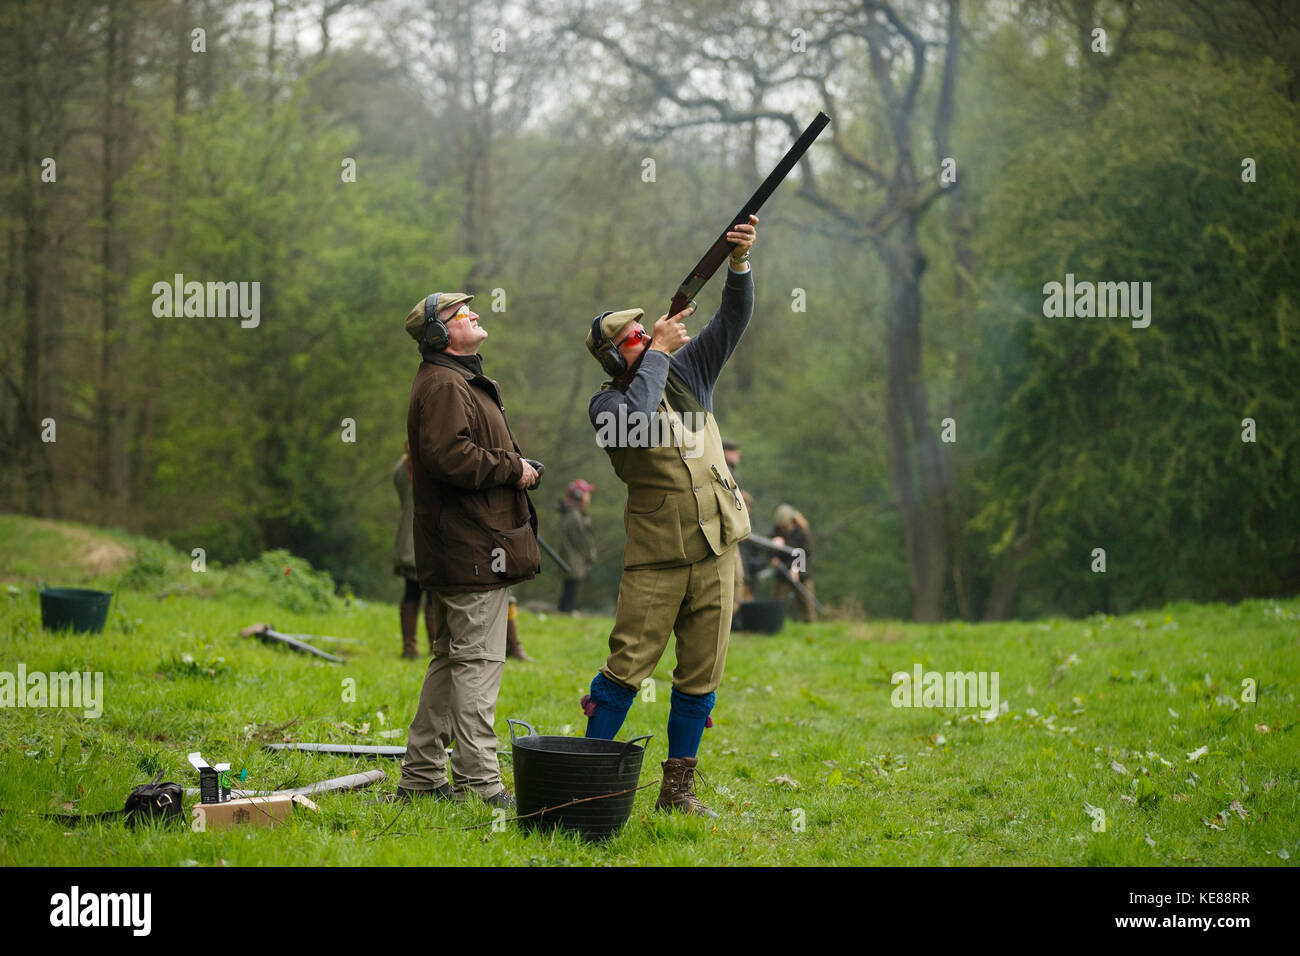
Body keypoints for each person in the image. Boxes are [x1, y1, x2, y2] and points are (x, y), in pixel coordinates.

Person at [580, 215, 758, 818]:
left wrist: (737, 264)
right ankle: (587, 782)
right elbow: (635, 421)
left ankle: (677, 792)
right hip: (657, 561)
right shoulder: (607, 403)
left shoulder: (688, 372)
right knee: (627, 667)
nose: (651, 331)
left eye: (644, 327)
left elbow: (733, 321)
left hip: (716, 549)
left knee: (701, 676)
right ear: (616, 354)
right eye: (636, 333)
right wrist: (654, 354)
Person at [394, 291, 540, 809]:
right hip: (470, 548)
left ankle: (422, 777)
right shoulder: (443, 384)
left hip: (468, 545)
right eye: (461, 314)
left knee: (449, 661)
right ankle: (481, 785)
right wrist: (513, 468)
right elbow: (448, 457)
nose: (475, 315)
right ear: (438, 334)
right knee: (477, 663)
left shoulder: (452, 380)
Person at [393, 440, 437, 659]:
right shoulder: (430, 469)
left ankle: (409, 647)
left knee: (411, 592)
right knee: (433, 595)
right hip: (427, 540)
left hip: (408, 541)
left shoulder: (401, 469)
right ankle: (435, 647)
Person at [556, 479, 597, 612]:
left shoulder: (573, 514)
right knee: (571, 587)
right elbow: (582, 540)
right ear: (579, 496)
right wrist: (591, 555)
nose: (589, 497)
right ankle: (566, 611)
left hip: (571, 558)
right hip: (573, 558)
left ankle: (565, 610)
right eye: (587, 494)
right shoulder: (575, 516)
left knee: (569, 587)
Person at [770, 503, 815, 622]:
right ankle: (775, 624)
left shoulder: (802, 533)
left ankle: (809, 624)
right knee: (777, 601)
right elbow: (769, 551)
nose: (782, 529)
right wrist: (773, 552)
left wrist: (795, 569)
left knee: (805, 602)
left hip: (801, 573)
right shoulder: (776, 532)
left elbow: (805, 552)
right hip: (782, 572)